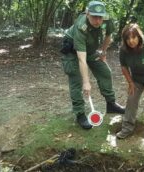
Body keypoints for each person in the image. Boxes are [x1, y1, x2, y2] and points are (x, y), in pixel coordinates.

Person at [60, 1, 125, 130]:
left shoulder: (106, 20)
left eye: (100, 17)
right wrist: (86, 82)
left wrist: (103, 52)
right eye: (94, 16)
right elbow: (81, 59)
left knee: (105, 72)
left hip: (90, 50)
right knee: (76, 81)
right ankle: (80, 114)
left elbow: (108, 36)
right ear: (88, 13)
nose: (97, 20)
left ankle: (111, 104)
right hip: (73, 52)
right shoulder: (81, 27)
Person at [116, 23, 144, 145]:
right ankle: (127, 128)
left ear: (139, 37)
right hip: (136, 79)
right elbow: (124, 67)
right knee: (131, 99)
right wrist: (130, 82)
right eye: (128, 38)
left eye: (134, 37)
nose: (131, 41)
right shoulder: (124, 50)